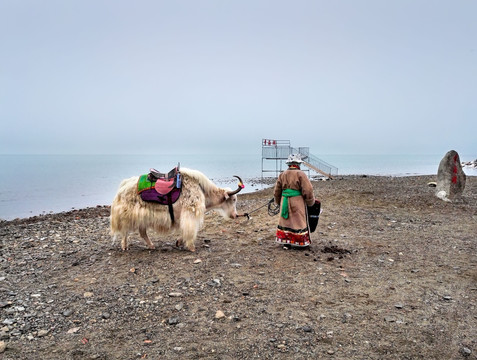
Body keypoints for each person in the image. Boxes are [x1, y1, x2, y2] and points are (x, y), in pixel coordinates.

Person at [274, 154, 316, 248]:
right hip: (297, 201)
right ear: (298, 164)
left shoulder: (282, 174)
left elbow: (277, 190)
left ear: (289, 164)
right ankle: (300, 243)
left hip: (284, 200)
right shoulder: (301, 174)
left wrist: (278, 201)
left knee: (286, 221)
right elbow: (308, 190)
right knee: (298, 221)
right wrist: (310, 201)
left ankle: (286, 243)